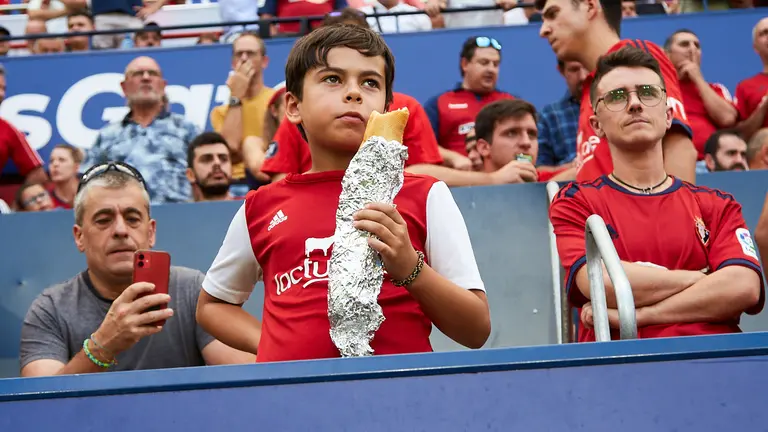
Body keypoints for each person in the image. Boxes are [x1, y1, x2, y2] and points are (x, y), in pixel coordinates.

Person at [197, 24, 491, 362]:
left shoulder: (426, 195)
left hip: (400, 401)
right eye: (332, 79)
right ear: (293, 106)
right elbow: (213, 305)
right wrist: (272, 345)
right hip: (293, 406)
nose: (354, 93)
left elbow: (476, 329)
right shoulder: (261, 206)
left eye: (370, 83)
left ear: (387, 108)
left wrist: (411, 268)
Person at [550, 47, 763, 342]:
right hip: (619, 369)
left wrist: (641, 316)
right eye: (617, 97)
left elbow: (744, 287)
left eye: (648, 93)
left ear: (667, 116)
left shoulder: (717, 204)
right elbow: (602, 284)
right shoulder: (576, 202)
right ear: (596, 125)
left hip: (715, 363)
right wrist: (702, 280)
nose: (635, 104)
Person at [20, 162, 252, 376]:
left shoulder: (192, 291)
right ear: (79, 237)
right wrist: (104, 345)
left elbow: (246, 376)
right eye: (103, 220)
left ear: (150, 233)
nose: (120, 230)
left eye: (132, 218)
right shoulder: (50, 310)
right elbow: (40, 406)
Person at [536, 0, 696, 184]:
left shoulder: (638, 58)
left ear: (589, 6)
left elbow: (679, 148)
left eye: (553, 14)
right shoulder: (590, 89)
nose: (543, 30)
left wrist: (675, 212)